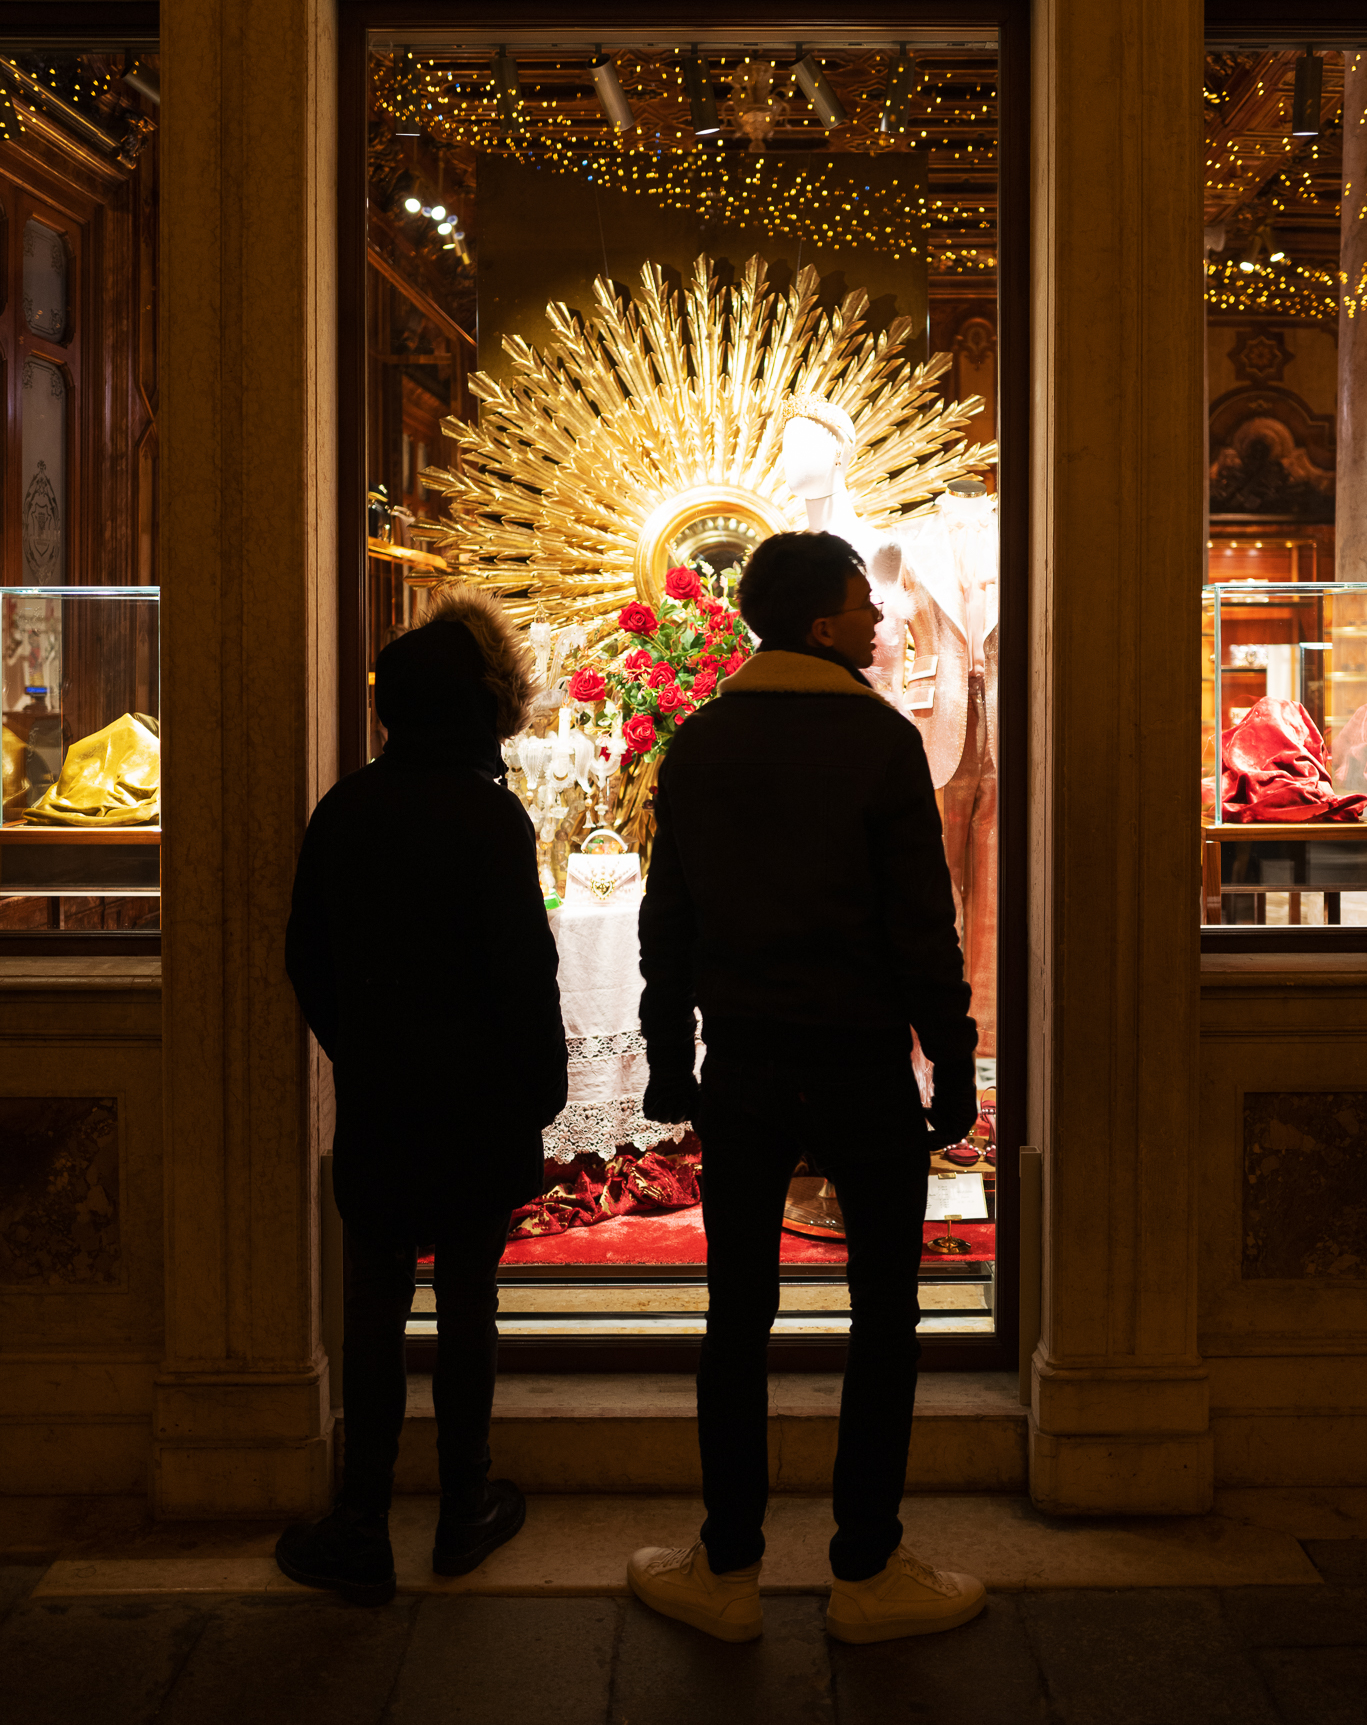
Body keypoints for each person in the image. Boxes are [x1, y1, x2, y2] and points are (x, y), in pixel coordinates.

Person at [630, 530, 985, 1645]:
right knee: (886, 1311)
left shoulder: (701, 741)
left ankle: (726, 1566)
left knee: (735, 1313)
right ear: (822, 624)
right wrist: (953, 1054)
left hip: (740, 1060)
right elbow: (921, 925)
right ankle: (864, 1568)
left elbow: (667, 922)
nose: (881, 623)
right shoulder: (877, 744)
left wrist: (667, 1055)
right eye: (860, 607)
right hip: (860, 1060)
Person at [276, 587, 567, 1605]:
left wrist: (356, 1045)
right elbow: (522, 969)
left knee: (373, 1303)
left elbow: (305, 955)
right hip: (477, 1102)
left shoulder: (346, 807)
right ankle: (463, 1506)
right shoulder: (489, 816)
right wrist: (540, 1085)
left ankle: (361, 1519)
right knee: (469, 1305)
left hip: (383, 1097)